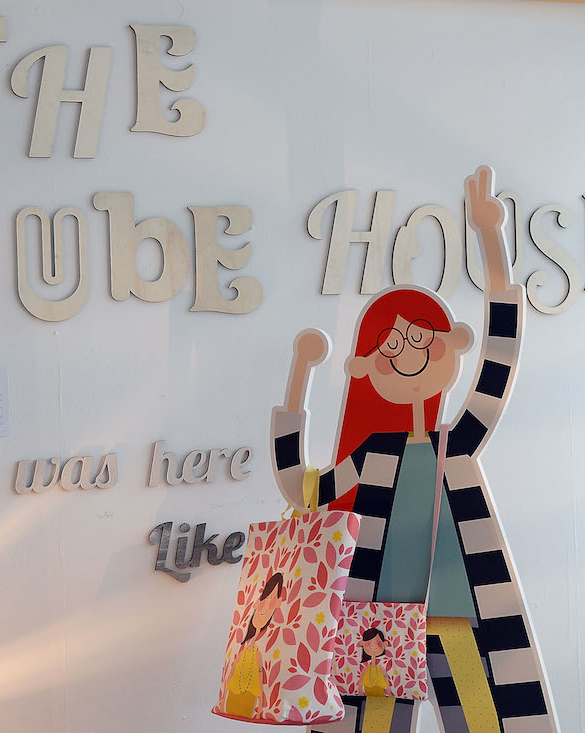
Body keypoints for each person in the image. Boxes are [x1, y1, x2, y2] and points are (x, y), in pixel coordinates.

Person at [270, 167, 558, 733]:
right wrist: (298, 381)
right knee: (370, 725)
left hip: (458, 612)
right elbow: (302, 490)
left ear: (449, 348)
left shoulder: (459, 442)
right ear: (367, 367)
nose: (409, 353)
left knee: (484, 722)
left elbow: (498, 363)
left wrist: (492, 243)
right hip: (378, 622)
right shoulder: (373, 452)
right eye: (393, 344)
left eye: (422, 339)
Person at [224, 572, 284, 719]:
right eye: (266, 598)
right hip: (233, 695)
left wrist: (260, 708)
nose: (265, 607)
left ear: (277, 603)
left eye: (272, 599)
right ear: (257, 603)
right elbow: (233, 668)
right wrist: (223, 697)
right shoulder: (245, 648)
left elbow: (260, 675)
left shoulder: (258, 651)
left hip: (249, 698)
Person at [359, 628, 389, 697]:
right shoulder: (366, 669)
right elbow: (360, 681)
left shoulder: (381, 669)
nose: (373, 645)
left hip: (381, 693)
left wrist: (389, 693)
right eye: (369, 642)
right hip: (366, 694)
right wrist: (359, 692)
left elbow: (386, 680)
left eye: (377, 642)